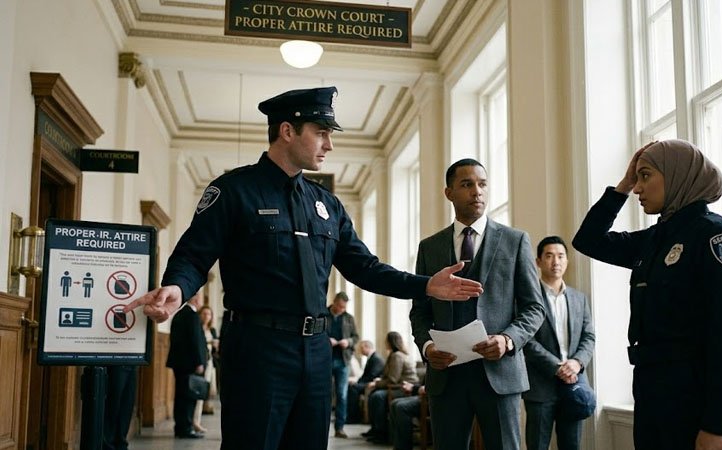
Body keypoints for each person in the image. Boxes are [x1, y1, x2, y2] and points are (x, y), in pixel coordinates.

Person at [123, 86, 483, 450]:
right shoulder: (234, 191)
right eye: (321, 133)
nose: (329, 145)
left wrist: (425, 286)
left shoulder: (326, 204)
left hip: (315, 352)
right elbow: (193, 255)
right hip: (256, 349)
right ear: (287, 131)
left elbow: (365, 268)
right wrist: (177, 287)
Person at [572, 139, 722, 450]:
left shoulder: (715, 238)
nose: (639, 189)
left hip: (698, 404)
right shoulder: (656, 238)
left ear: (678, 175)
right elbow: (588, 240)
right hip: (655, 396)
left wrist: (715, 426)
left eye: (646, 176)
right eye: (637, 179)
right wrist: (623, 184)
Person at [409, 158, 546, 450]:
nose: (477, 192)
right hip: (447, 376)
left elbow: (535, 308)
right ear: (449, 193)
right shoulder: (429, 247)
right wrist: (427, 348)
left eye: (482, 184)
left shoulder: (515, 240)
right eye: (467, 184)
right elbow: (419, 311)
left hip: (499, 373)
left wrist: (508, 340)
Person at [522, 236, 595, 450]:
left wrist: (577, 363)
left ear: (567, 261)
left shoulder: (579, 298)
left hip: (574, 385)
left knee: (571, 445)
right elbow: (527, 339)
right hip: (540, 386)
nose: (556, 261)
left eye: (561, 256)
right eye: (549, 256)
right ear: (538, 261)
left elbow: (588, 336)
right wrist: (557, 366)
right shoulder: (527, 297)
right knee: (537, 445)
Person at [362, 331, 419, 444]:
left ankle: (382, 433)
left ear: (390, 342)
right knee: (374, 394)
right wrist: (378, 381)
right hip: (396, 386)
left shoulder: (397, 356)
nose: (384, 343)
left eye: (386, 341)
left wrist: (377, 384)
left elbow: (393, 379)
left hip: (404, 388)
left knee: (377, 396)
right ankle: (376, 430)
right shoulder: (393, 354)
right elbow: (388, 376)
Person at [166, 293, 207, 439]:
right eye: (201, 299)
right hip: (190, 364)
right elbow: (195, 341)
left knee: (181, 396)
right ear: (196, 299)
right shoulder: (192, 316)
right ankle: (186, 429)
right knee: (189, 397)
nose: (202, 301)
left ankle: (180, 427)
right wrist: (199, 362)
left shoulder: (179, 314)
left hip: (180, 363)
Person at [325, 291, 359, 438]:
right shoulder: (322, 314)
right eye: (339, 306)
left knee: (342, 395)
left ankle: (339, 428)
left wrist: (348, 342)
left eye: (344, 307)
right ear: (334, 302)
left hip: (343, 361)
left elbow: (355, 337)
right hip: (324, 360)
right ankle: (323, 427)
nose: (341, 309)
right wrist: (326, 340)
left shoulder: (349, 318)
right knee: (324, 394)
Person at [192, 305, 218, 433]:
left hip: (209, 362)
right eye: (204, 314)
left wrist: (216, 345)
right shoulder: (197, 328)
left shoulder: (212, 330)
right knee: (196, 393)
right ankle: (194, 421)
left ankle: (198, 420)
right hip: (199, 362)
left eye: (209, 314)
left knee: (205, 392)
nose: (206, 316)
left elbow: (215, 351)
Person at [347, 340, 385, 424]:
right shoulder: (372, 357)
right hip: (367, 382)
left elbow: (372, 375)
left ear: (367, 347)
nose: (360, 350)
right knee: (351, 386)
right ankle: (350, 415)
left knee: (353, 388)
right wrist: (357, 382)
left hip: (372, 383)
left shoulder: (376, 358)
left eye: (362, 348)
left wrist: (358, 384)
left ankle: (353, 417)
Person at [102, 365, 137, 450]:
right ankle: (108, 445)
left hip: (133, 358)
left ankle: (121, 444)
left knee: (128, 402)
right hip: (117, 359)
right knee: (113, 402)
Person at [389, 380, 425, 450]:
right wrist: (414, 387)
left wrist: (414, 387)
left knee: (401, 407)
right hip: (423, 394)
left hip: (430, 398)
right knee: (394, 403)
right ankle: (397, 445)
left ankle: (404, 447)